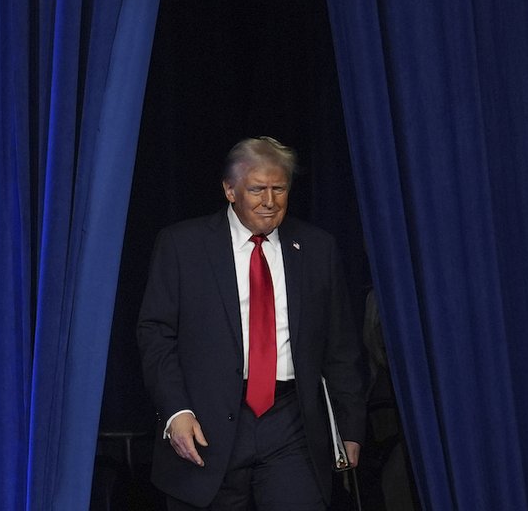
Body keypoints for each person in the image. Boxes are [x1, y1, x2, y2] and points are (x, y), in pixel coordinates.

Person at [137, 136, 366, 510]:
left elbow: (340, 344)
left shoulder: (316, 248)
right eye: (257, 189)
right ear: (230, 190)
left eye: (279, 188)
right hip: (207, 424)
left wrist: (350, 426)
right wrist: (176, 411)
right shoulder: (183, 246)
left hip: (291, 422)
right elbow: (156, 335)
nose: (270, 201)